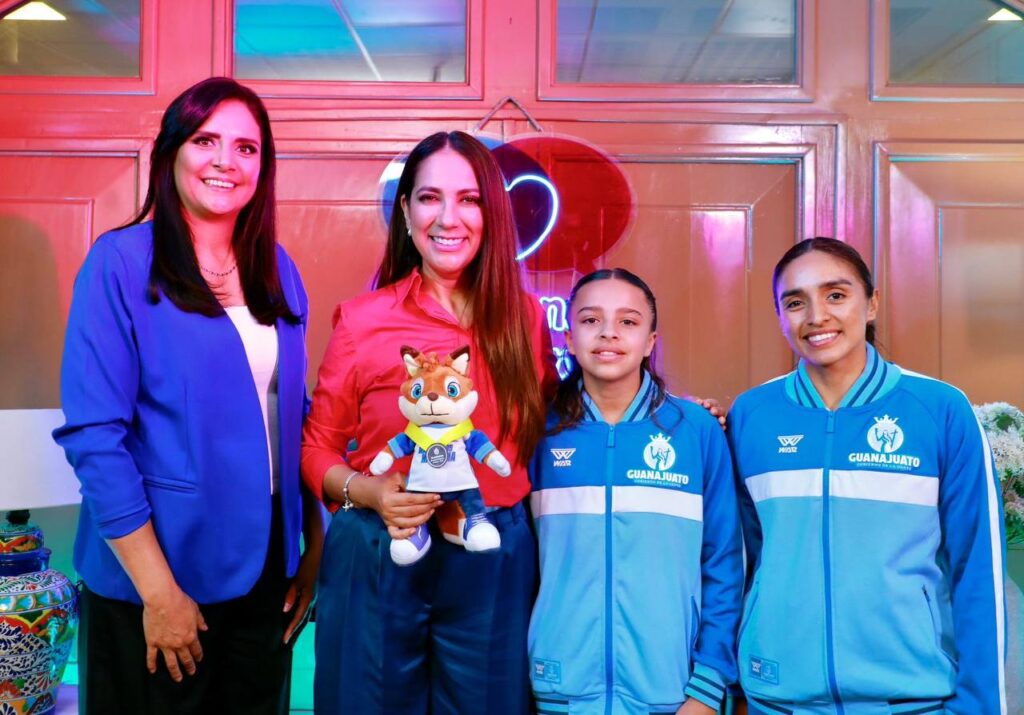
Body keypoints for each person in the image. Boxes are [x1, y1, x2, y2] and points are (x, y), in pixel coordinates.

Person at [53, 77, 323, 714]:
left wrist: (312, 544)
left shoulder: (278, 268)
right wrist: (159, 592)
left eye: (246, 148)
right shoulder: (120, 262)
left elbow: (293, 416)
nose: (226, 161)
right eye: (206, 140)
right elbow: (95, 437)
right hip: (160, 570)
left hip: (267, 569)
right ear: (171, 151)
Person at [301, 130, 555, 714]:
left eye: (469, 199)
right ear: (406, 210)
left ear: (492, 213)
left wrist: (667, 409)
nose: (448, 217)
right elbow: (316, 450)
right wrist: (370, 492)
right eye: (429, 197)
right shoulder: (363, 320)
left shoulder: (524, 318)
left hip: (491, 551)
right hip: (379, 549)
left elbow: (558, 420)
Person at [728, 238, 1007, 715]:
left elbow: (978, 571)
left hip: (914, 700)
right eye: (795, 302)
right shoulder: (751, 415)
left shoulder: (940, 410)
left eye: (836, 295)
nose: (817, 316)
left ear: (872, 303)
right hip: (778, 700)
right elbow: (740, 564)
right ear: (780, 316)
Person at [528, 268, 744, 715]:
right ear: (569, 339)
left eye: (628, 321)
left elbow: (724, 564)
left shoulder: (697, 430)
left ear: (650, 342)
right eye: (590, 320)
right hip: (558, 691)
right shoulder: (537, 433)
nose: (608, 332)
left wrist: (707, 688)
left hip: (674, 694)